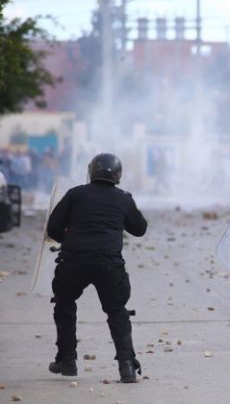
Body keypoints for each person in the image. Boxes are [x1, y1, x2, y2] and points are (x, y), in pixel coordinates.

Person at [46, 153, 147, 383]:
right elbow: (139, 229)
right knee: (117, 311)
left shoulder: (75, 194)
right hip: (109, 264)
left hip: (74, 261)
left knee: (64, 304)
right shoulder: (123, 198)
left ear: (91, 171)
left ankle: (67, 361)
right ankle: (127, 367)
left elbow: (53, 228)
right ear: (118, 175)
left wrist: (70, 239)